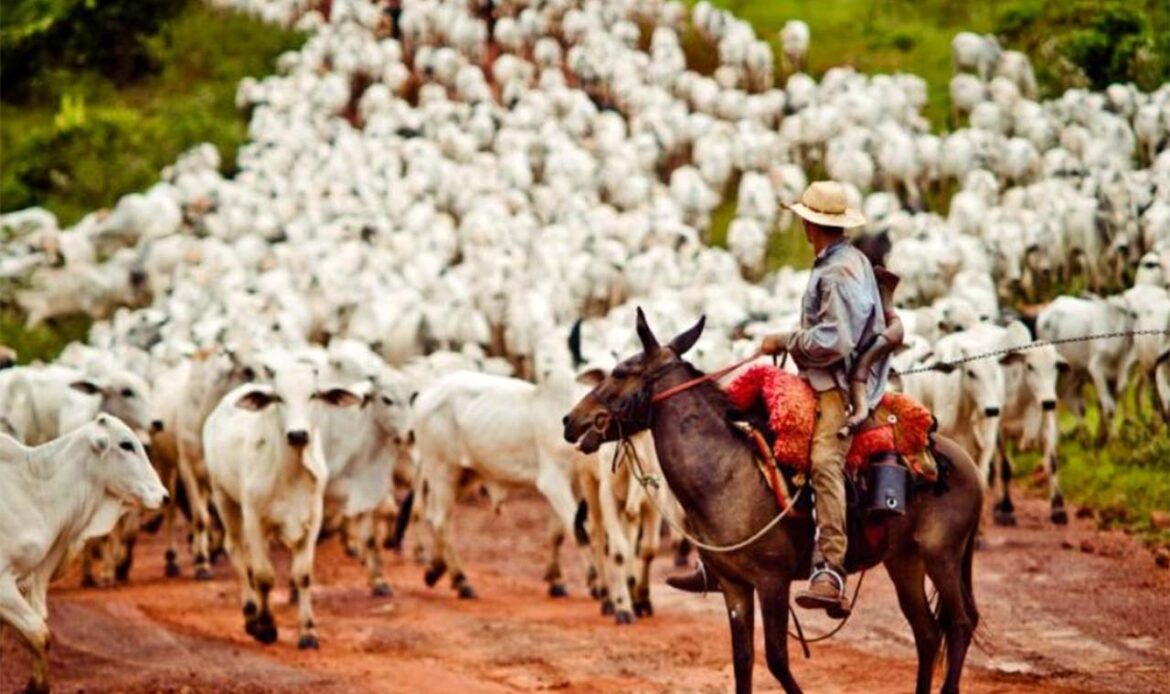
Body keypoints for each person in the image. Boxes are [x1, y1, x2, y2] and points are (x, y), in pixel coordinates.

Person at [667, 181, 890, 619]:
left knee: (825, 462)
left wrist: (785, 339)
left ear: (811, 223)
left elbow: (837, 340)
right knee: (749, 434)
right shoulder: (842, 260)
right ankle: (724, 554)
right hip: (818, 377)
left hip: (840, 389)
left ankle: (830, 567)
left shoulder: (837, 272)